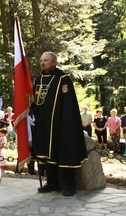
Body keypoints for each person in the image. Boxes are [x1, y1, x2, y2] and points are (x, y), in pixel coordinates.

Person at [30, 52, 87, 196]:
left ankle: (69, 185)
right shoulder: (37, 80)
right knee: (48, 155)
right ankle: (52, 183)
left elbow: (69, 105)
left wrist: (66, 124)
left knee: (64, 152)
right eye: (41, 60)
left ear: (54, 62)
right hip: (43, 125)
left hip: (60, 124)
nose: (43, 63)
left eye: (46, 60)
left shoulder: (63, 79)